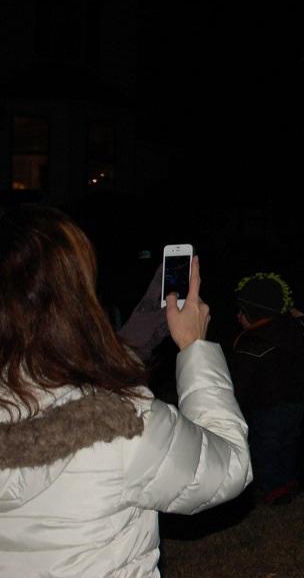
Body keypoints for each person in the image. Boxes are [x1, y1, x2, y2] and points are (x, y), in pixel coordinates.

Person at [0, 205, 252, 577]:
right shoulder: (118, 423)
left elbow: (59, 376)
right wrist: (195, 347)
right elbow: (228, 467)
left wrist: (146, 324)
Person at [231, 272, 304, 504]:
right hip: (295, 401)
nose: (238, 317)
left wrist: (237, 402)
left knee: (266, 447)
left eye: (242, 312)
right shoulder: (293, 329)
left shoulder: (250, 342)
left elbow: (243, 379)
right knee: (287, 443)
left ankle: (274, 490)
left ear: (253, 312)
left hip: (267, 406)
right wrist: (294, 312)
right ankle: (289, 482)